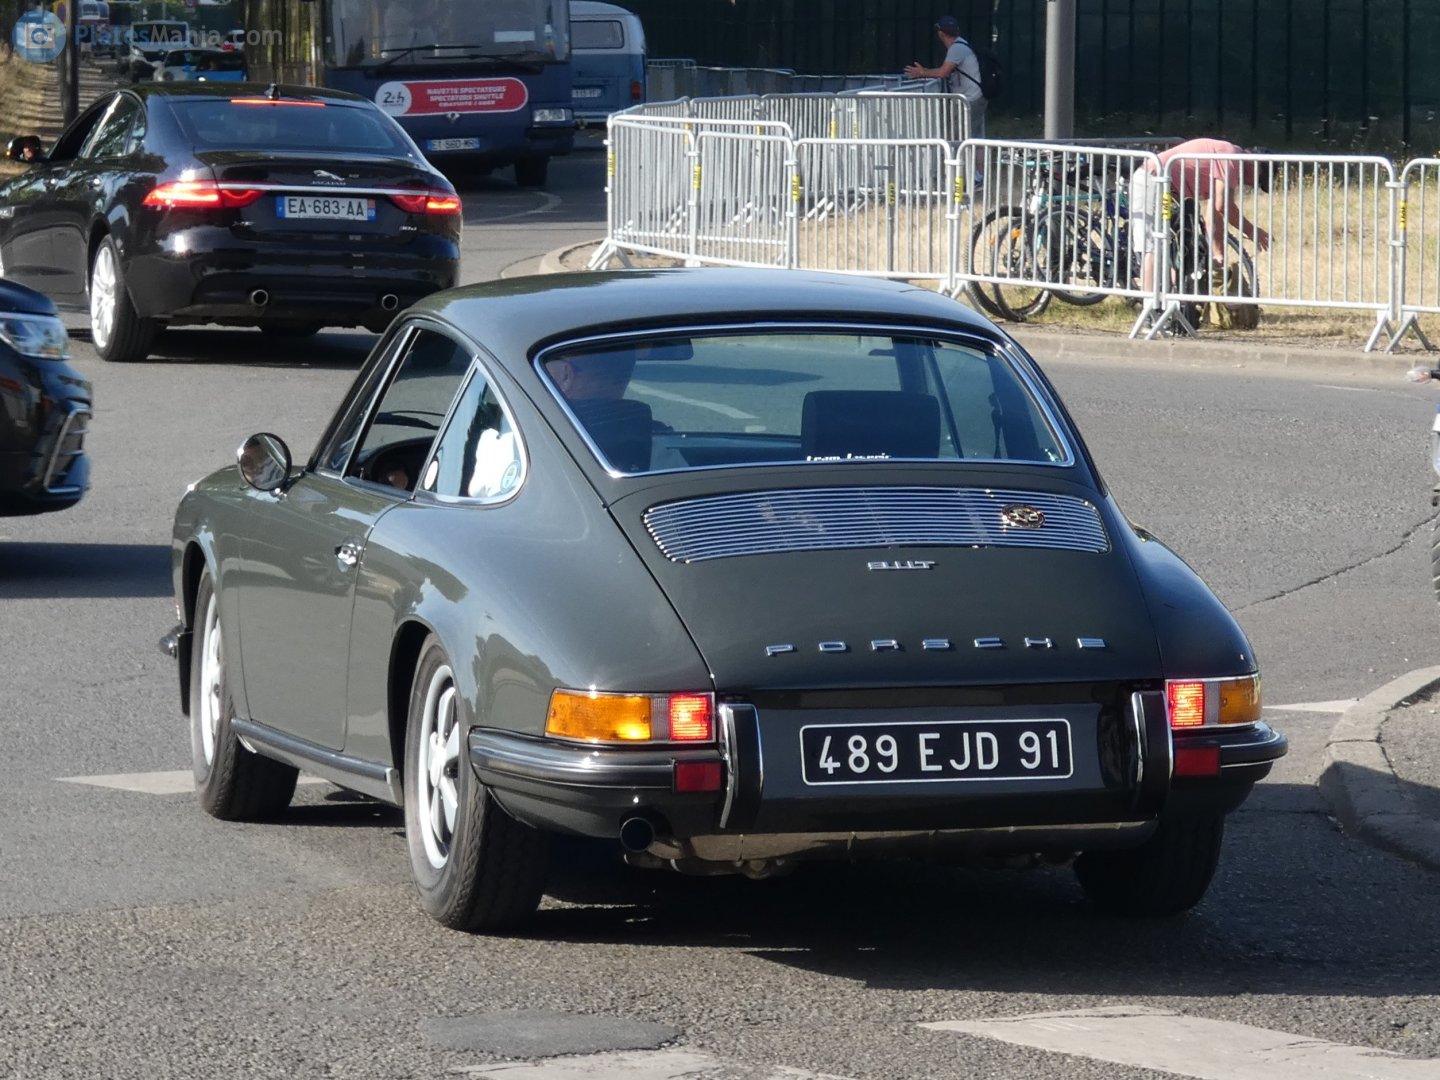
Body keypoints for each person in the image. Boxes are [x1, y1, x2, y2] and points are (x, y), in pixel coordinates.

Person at [1131, 138, 1271, 295]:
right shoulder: (1230, 157)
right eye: (1260, 179)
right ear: (1256, 165)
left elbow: (1214, 217)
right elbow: (1223, 205)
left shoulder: (1228, 162)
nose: (1254, 184)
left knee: (1174, 245)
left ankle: (1173, 302)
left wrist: (1218, 254)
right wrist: (1251, 230)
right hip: (1153, 179)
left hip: (1169, 190)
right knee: (1152, 247)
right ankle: (1151, 308)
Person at [904, 15, 985, 140]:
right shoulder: (962, 44)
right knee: (975, 137)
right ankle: (976, 160)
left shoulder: (956, 49)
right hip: (975, 97)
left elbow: (943, 72)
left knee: (960, 137)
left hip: (969, 100)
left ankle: (961, 159)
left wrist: (922, 72)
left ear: (941, 34)